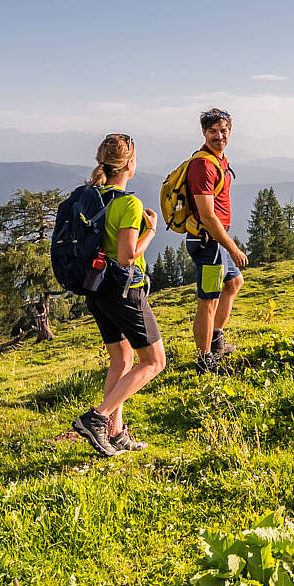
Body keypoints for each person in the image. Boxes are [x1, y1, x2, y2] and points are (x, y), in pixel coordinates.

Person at [69, 134, 164, 456]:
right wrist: (151, 230)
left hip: (96, 288)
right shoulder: (127, 203)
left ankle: (116, 433)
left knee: (121, 360)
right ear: (131, 164)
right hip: (124, 290)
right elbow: (126, 256)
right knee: (153, 361)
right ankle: (97, 418)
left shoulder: (89, 196)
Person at [182, 107, 249, 372]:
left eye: (223, 131)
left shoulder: (220, 159)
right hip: (206, 242)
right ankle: (204, 359)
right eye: (213, 132)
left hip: (216, 242)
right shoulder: (202, 165)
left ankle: (216, 338)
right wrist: (232, 248)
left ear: (230, 133)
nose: (219, 136)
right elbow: (208, 216)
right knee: (207, 301)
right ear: (203, 133)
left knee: (234, 282)